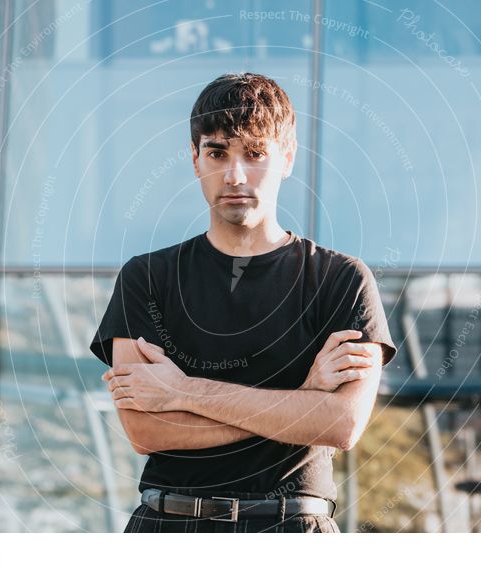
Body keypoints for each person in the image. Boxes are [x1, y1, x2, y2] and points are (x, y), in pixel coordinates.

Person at [90, 72, 398, 533]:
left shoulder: (342, 280)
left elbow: (341, 425)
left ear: (287, 157)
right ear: (195, 159)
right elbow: (145, 431)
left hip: (293, 532)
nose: (234, 175)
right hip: (169, 530)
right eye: (217, 152)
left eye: (255, 154)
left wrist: (183, 392)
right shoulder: (147, 278)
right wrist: (302, 402)